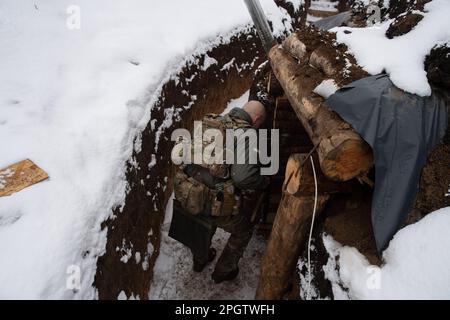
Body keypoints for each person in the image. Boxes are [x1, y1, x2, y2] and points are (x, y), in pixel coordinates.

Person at [175, 100, 269, 284]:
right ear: (256, 119)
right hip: (214, 199)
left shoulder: (209, 120)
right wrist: (263, 181)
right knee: (243, 228)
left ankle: (199, 260)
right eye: (259, 124)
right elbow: (243, 178)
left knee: (201, 219)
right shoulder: (246, 134)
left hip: (189, 191)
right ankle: (223, 271)